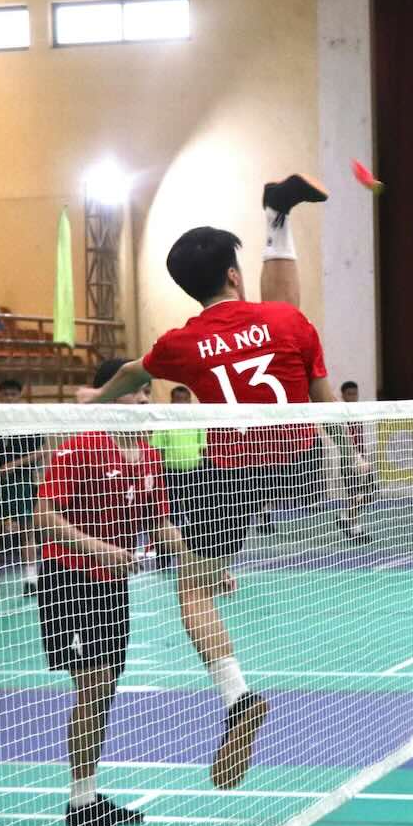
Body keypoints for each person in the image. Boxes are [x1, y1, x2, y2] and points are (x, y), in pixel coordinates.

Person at [79, 172, 334, 789]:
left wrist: (90, 403)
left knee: (190, 589)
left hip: (231, 473)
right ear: (233, 274)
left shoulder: (178, 344)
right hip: (300, 463)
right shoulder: (288, 323)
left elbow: (133, 375)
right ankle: (277, 220)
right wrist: (349, 457)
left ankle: (237, 695)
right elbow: (326, 402)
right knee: (290, 320)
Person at [36, 358, 183, 826]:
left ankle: (89, 793)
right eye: (133, 393)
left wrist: (196, 565)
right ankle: (80, 804)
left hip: (112, 584)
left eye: (146, 394)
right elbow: (44, 513)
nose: (142, 401)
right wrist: (98, 549)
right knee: (93, 687)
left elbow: (160, 523)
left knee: (103, 691)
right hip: (68, 576)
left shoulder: (145, 453)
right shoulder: (82, 444)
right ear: (105, 394)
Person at [0, 378, 46, 599]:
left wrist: (12, 466)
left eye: (13, 394)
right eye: (5, 394)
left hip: (21, 481)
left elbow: (41, 451)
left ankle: (31, 581)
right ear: (0, 396)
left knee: (26, 531)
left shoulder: (29, 421)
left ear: (19, 396)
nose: (9, 398)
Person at [150, 385, 208, 533]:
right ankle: (169, 551)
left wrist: (204, 470)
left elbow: (203, 448)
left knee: (196, 512)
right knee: (171, 513)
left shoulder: (197, 421)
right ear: (172, 401)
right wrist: (158, 473)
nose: (182, 403)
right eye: (178, 400)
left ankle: (196, 546)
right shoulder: (163, 422)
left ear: (189, 402)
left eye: (185, 400)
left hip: (194, 473)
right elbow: (157, 449)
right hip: (170, 474)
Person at [336, 380, 377, 542]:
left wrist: (364, 454)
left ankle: (344, 517)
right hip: (349, 460)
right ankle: (355, 530)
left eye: (355, 394)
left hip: (362, 458)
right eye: (350, 394)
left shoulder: (359, 411)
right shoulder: (340, 414)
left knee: (371, 494)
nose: (353, 397)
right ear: (343, 395)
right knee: (355, 495)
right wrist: (353, 455)